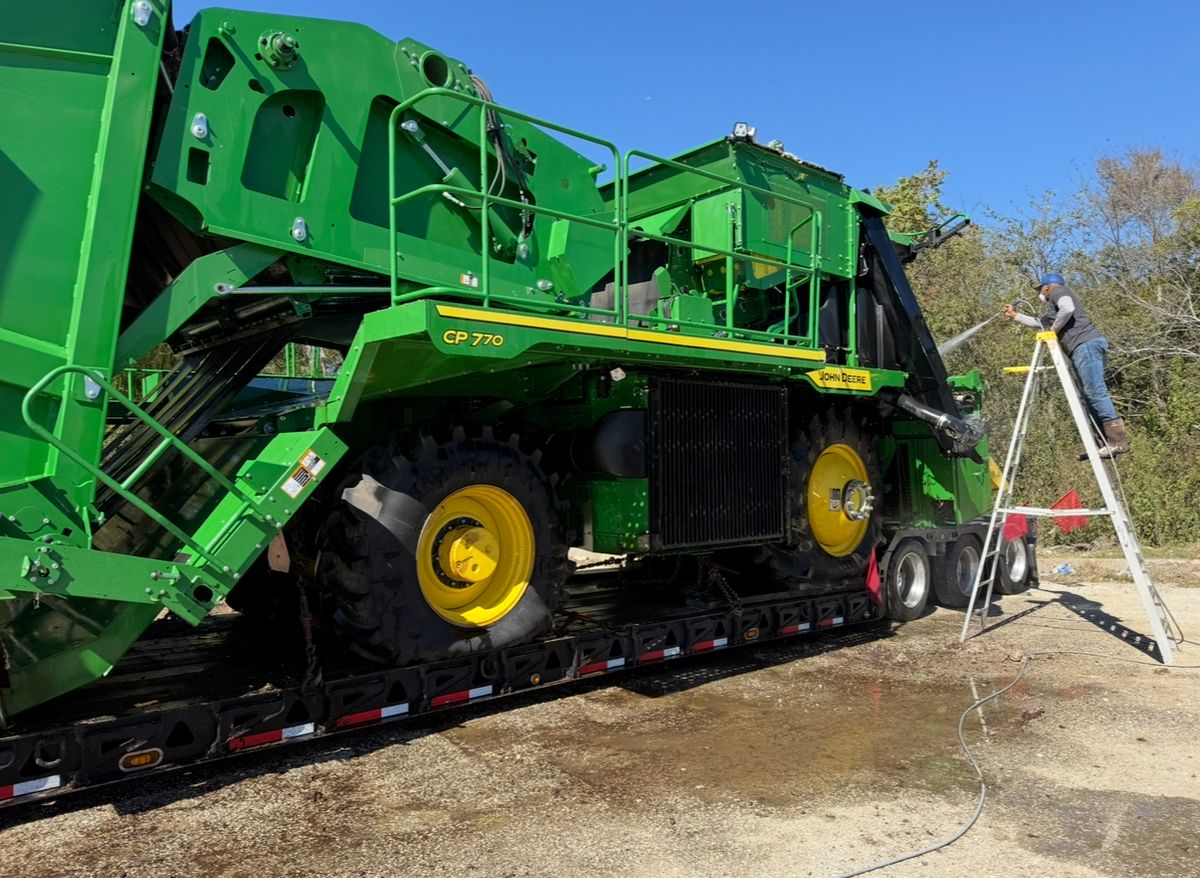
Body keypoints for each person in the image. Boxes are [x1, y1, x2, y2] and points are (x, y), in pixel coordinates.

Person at [1002, 273, 1130, 458]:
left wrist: (1054, 330)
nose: (1041, 294)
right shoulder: (1054, 309)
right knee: (1088, 395)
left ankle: (1118, 442)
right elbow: (1040, 323)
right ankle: (1102, 444)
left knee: (1095, 392)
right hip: (1082, 348)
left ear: (1046, 287)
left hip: (1085, 345)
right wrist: (1015, 315)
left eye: (1041, 290)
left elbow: (1068, 308)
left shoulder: (1058, 291)